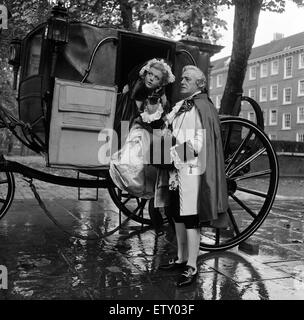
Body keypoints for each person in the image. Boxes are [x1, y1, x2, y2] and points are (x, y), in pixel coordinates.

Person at [158, 65, 229, 288]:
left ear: (200, 84)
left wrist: (173, 155)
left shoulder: (203, 107)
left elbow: (201, 142)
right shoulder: (181, 105)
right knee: (176, 214)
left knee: (190, 218)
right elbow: (166, 127)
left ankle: (192, 265)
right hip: (175, 170)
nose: (182, 81)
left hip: (192, 170)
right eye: (182, 78)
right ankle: (180, 258)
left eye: (187, 79)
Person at [110, 59, 175, 225]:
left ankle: (158, 194)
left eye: (156, 77)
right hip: (131, 123)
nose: (151, 78)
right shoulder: (137, 85)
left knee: (140, 151)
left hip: (149, 129)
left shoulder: (157, 97)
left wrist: (150, 111)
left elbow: (154, 120)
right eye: (150, 74)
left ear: (161, 82)